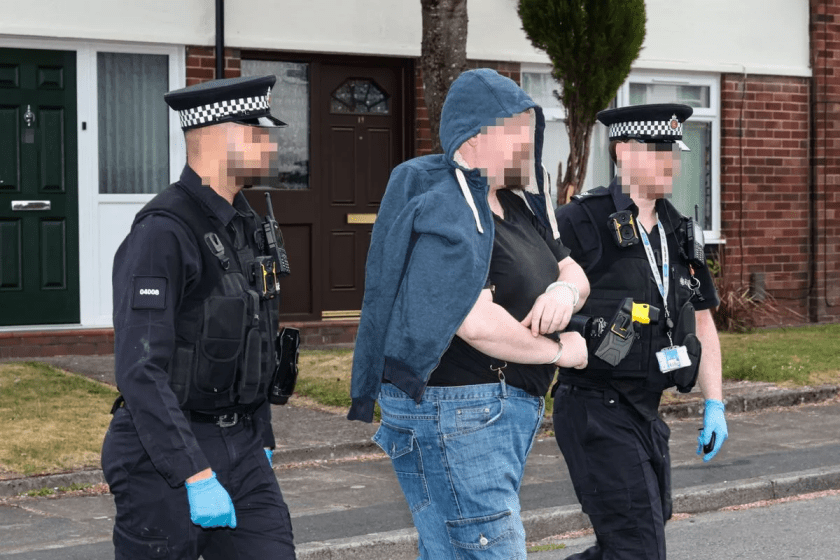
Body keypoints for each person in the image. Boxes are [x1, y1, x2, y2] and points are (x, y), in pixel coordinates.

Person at [348, 68, 590, 559]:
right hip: (458, 413)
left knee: (450, 551)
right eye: (517, 131)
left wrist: (564, 292)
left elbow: (573, 269)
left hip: (487, 414)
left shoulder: (516, 206)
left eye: (530, 131)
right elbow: (474, 322)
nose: (529, 144)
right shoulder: (447, 206)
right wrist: (559, 350)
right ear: (475, 137)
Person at [101, 75, 296, 559]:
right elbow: (140, 368)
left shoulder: (245, 225)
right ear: (216, 137)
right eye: (257, 132)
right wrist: (193, 472)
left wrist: (262, 437)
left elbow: (256, 342)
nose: (270, 145)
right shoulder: (163, 232)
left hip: (243, 446)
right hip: (163, 456)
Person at [552, 103, 729, 559]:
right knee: (639, 544)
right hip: (594, 407)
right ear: (624, 152)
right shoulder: (580, 221)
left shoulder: (680, 231)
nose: (670, 163)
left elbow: (702, 319)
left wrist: (714, 402)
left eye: (674, 152)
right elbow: (531, 297)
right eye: (657, 151)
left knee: (637, 534)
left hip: (646, 410)